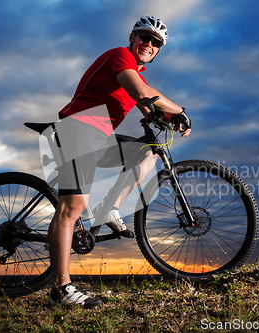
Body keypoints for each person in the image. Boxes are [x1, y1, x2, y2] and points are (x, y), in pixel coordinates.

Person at [47, 16, 192, 307]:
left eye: (156, 43)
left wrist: (168, 119)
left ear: (158, 51)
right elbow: (141, 94)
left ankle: (110, 208)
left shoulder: (136, 73)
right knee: (72, 206)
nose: (148, 44)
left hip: (98, 136)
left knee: (149, 150)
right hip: (78, 130)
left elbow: (147, 103)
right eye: (144, 37)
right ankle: (60, 290)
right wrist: (180, 110)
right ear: (132, 37)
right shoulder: (120, 57)